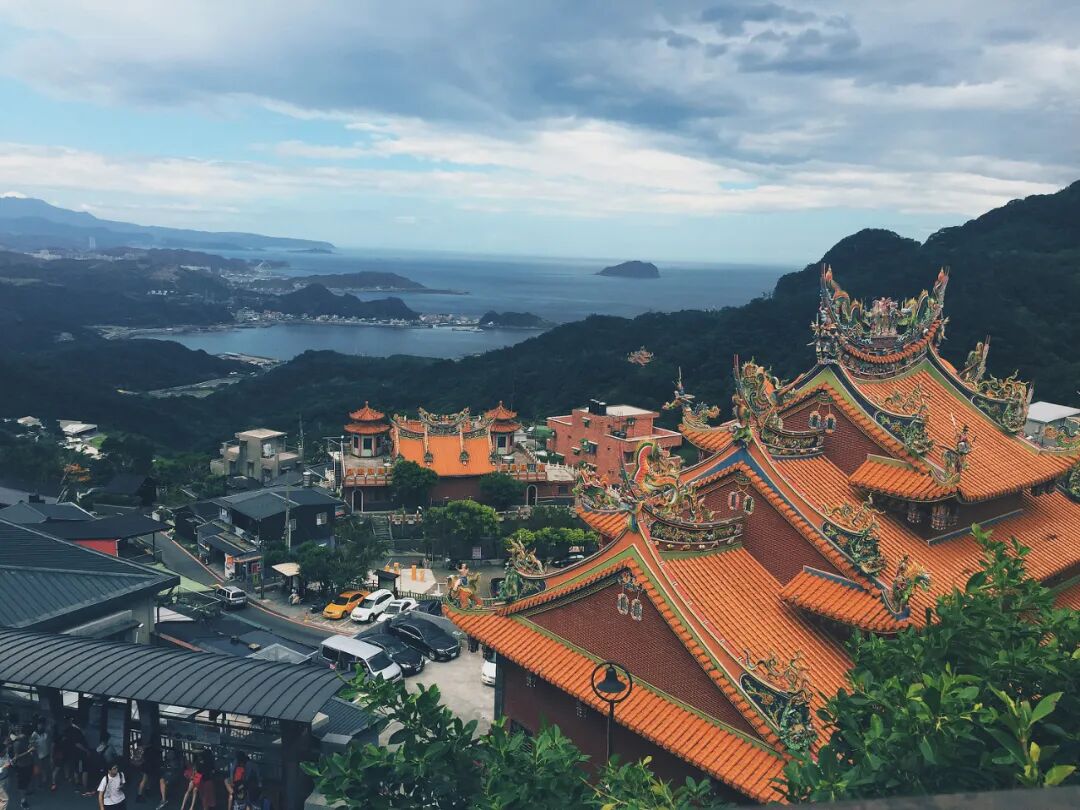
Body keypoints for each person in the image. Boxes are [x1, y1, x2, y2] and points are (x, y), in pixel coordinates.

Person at [135, 739, 165, 809]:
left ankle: (144, 792)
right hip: (147, 767)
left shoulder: (147, 749)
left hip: (145, 766)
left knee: (146, 779)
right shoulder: (154, 750)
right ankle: (139, 795)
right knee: (144, 780)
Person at [29, 721, 54, 793]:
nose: (40, 726)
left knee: (45, 770)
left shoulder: (46, 734)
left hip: (45, 755)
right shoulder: (34, 734)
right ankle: (38, 785)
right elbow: (30, 746)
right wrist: (33, 747)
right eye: (39, 725)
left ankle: (43, 783)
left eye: (42, 725)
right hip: (37, 756)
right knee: (37, 772)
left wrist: (51, 755)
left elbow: (50, 744)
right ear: (37, 725)